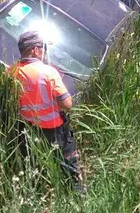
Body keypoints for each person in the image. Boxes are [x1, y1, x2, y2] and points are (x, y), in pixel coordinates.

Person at [7, 29, 84, 193]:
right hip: (54, 131)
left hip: (27, 130)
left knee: (35, 170)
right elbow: (68, 104)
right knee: (70, 170)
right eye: (44, 48)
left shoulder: (10, 72)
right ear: (35, 49)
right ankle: (78, 197)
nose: (45, 52)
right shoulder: (47, 72)